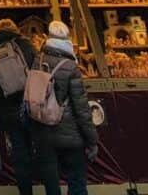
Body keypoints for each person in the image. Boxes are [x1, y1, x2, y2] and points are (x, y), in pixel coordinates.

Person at [31, 21, 98, 195]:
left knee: (51, 183)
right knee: (76, 180)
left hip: (43, 131)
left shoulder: (37, 61)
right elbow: (82, 109)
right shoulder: (71, 67)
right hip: (70, 135)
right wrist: (92, 140)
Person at [0, 19, 35, 195]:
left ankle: (25, 191)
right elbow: (38, 70)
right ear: (16, 29)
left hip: (8, 108)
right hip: (30, 104)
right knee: (39, 147)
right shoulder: (25, 44)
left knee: (20, 151)